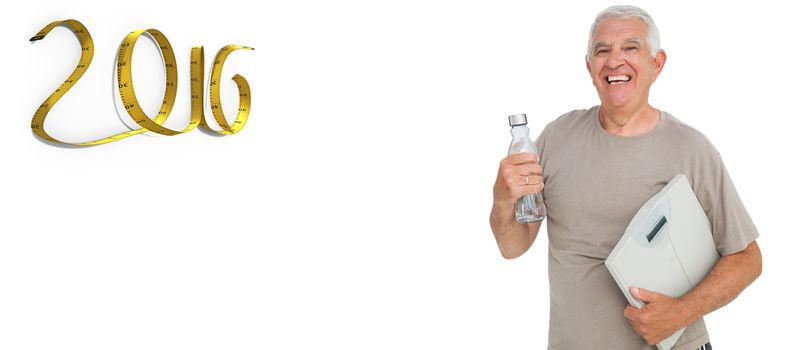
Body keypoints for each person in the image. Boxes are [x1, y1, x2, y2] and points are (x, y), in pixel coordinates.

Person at [489, 5, 761, 350]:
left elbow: (748, 258)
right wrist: (502, 198)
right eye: (602, 51)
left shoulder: (692, 149)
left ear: (657, 64)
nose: (615, 61)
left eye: (631, 48)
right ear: (589, 67)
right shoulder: (556, 139)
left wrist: (680, 313)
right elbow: (513, 247)